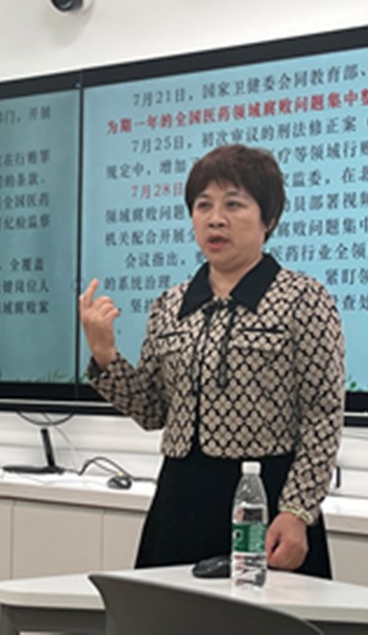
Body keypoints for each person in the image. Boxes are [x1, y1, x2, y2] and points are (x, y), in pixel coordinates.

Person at [79, 144, 344, 578]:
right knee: (169, 611)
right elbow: (152, 411)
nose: (215, 218)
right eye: (203, 205)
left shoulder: (303, 298)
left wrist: (298, 511)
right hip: (180, 500)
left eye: (233, 204)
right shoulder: (170, 305)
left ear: (268, 219)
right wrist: (105, 354)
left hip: (267, 500)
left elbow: (323, 414)